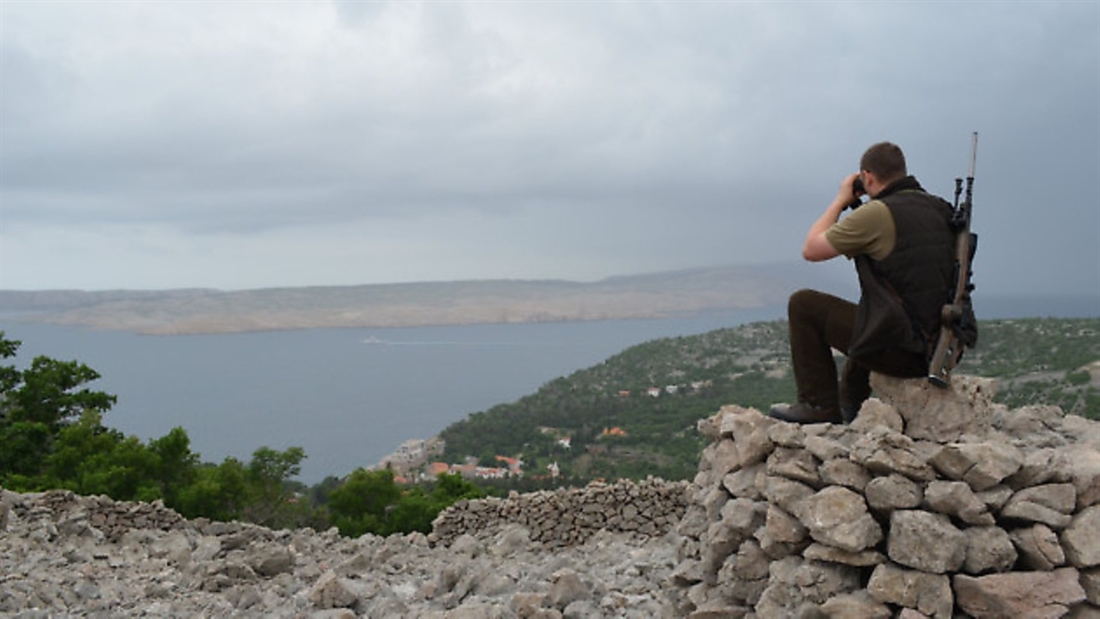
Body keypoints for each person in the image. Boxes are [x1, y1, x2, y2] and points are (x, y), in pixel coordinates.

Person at [770, 142, 955, 424]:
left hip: (908, 354)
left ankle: (819, 406)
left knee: (804, 304)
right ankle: (851, 404)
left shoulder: (879, 213)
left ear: (867, 177)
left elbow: (812, 249)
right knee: (875, 313)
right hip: (945, 347)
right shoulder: (939, 209)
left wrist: (841, 200)